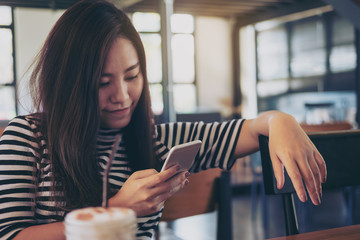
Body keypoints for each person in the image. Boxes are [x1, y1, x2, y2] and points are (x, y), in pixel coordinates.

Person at [0, 0, 326, 239]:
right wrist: (116, 210)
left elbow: (251, 129)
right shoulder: (27, 138)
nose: (123, 96)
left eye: (132, 75)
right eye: (102, 82)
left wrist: (280, 121)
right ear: (68, 81)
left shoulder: (155, 141)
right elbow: (10, 235)